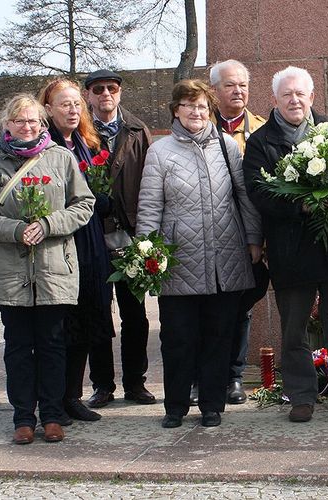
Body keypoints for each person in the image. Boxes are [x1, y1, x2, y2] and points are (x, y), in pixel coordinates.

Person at [243, 66, 328, 423]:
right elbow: (259, 193)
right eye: (287, 94)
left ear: (312, 97)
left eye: (300, 94)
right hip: (291, 250)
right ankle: (302, 396)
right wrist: (300, 204)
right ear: (274, 99)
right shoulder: (261, 142)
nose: (294, 100)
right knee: (294, 329)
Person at [0, 94, 95, 444]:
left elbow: (84, 204)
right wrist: (14, 229)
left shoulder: (61, 158)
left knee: (52, 344)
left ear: (42, 123)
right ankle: (23, 416)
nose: (27, 126)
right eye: (19, 121)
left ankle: (52, 415)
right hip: (9, 269)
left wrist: (49, 224)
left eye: (33, 121)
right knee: (18, 345)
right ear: (6, 124)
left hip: (53, 268)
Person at [136, 79, 262, 429]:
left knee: (218, 336)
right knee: (177, 338)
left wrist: (253, 240)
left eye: (203, 106)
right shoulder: (160, 152)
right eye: (189, 105)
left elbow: (244, 197)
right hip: (179, 261)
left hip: (226, 257)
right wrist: (146, 251)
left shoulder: (226, 146)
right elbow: (149, 206)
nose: (196, 112)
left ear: (211, 110)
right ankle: (175, 406)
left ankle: (212, 405)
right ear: (176, 110)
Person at [39, 78, 115, 423]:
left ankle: (72, 395)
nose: (72, 110)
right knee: (61, 327)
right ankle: (53, 400)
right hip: (63, 243)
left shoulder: (85, 143)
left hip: (92, 243)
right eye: (64, 104)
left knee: (87, 320)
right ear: (48, 109)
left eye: (75, 104)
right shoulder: (44, 146)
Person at [82, 70, 157, 409]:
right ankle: (102, 384)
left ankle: (135, 382)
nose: (105, 95)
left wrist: (147, 231)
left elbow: (151, 179)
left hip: (130, 234)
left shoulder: (138, 130)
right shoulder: (80, 133)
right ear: (89, 96)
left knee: (135, 314)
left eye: (111, 89)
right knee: (97, 313)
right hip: (93, 234)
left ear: (120, 93)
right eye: (98, 90)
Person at [210, 59, 268, 405]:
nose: (238, 91)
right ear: (214, 90)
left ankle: (233, 376)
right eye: (230, 85)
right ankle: (203, 376)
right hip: (207, 234)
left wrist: (256, 239)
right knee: (205, 309)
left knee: (241, 308)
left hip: (248, 235)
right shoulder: (197, 125)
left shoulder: (260, 130)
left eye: (243, 85)